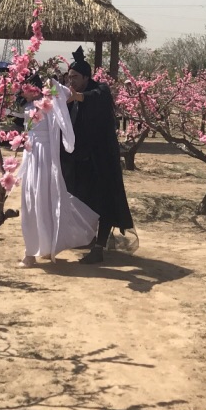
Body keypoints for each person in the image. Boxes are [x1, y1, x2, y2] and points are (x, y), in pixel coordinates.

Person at [60, 47, 136, 264]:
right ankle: (89, 239)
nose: (71, 81)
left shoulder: (99, 91)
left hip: (100, 162)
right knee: (82, 202)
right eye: (69, 78)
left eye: (75, 77)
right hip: (79, 162)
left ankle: (99, 247)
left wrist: (79, 96)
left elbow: (97, 98)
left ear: (86, 77)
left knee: (103, 203)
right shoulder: (70, 96)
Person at [17, 74, 98, 266]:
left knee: (44, 201)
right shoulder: (28, 107)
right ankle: (37, 248)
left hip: (44, 157)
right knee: (30, 202)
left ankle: (39, 249)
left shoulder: (48, 104)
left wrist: (52, 85)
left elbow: (65, 93)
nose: (21, 91)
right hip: (31, 155)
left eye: (25, 87)